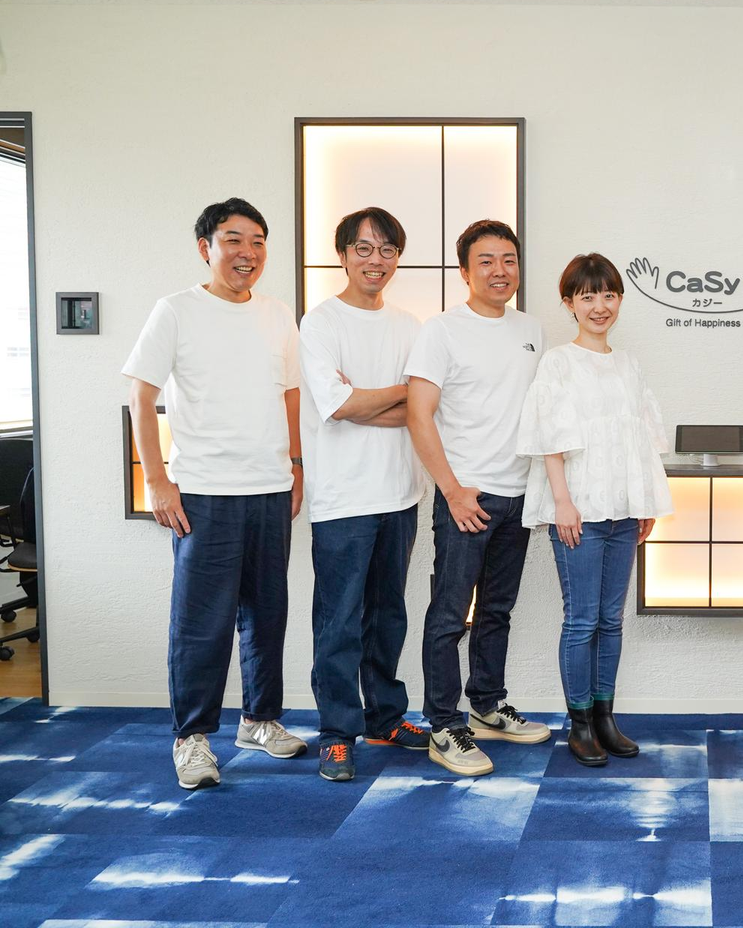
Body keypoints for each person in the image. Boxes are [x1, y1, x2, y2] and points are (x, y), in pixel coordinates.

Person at [123, 198, 307, 790]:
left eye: (257, 241)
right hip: (203, 492)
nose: (247, 253)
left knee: (267, 614)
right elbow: (140, 395)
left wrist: (296, 466)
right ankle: (192, 737)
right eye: (233, 240)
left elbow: (290, 396)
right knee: (201, 624)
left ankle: (259, 720)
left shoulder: (277, 314)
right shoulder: (176, 310)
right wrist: (157, 480)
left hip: (270, 488)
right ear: (206, 248)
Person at [406, 220, 549, 777]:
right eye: (486, 261)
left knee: (497, 611)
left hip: (519, 495)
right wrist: (452, 490)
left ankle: (487, 705)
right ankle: (444, 724)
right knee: (449, 615)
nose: (499, 270)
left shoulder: (531, 329)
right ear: (465, 271)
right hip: (467, 495)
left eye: (509, 260)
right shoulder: (442, 330)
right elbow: (419, 415)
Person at [516, 253, 672, 767]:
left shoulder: (628, 364)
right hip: (578, 512)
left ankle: (605, 717)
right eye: (588, 297)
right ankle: (580, 723)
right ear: (570, 304)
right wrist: (562, 503)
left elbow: (639, 438)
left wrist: (644, 500)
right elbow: (550, 440)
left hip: (623, 512)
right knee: (581, 620)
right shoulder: (558, 362)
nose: (600, 306)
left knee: (611, 620)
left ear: (620, 300)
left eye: (609, 295)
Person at [300, 207, 429, 782]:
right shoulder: (321, 323)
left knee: (388, 616)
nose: (376, 260)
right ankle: (336, 734)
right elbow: (337, 404)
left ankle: (385, 718)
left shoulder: (410, 326)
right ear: (343, 254)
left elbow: (425, 409)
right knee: (338, 623)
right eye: (364, 248)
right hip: (343, 499)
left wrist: (367, 401)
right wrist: (398, 395)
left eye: (387, 250)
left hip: (400, 493)